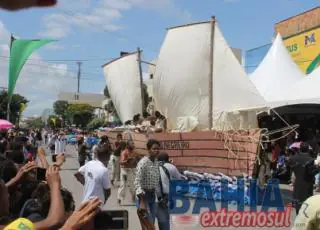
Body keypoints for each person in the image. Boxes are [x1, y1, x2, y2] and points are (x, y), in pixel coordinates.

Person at [280, 142, 320, 214]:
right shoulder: (311, 160)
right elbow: (312, 172)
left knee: (298, 206)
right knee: (306, 206)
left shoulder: (293, 158)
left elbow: (288, 167)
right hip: (307, 185)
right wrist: (318, 167)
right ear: (308, 149)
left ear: (300, 149)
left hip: (298, 184)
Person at [135, 139, 161, 229]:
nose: (156, 151)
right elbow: (137, 182)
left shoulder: (156, 162)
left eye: (158, 149)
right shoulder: (143, 163)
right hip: (143, 197)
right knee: (147, 224)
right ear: (148, 149)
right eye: (154, 149)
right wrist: (142, 202)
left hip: (152, 196)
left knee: (151, 222)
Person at [156, 152, 186, 230]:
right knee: (164, 223)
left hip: (152, 198)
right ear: (167, 159)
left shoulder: (153, 166)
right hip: (164, 199)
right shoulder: (171, 167)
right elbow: (179, 179)